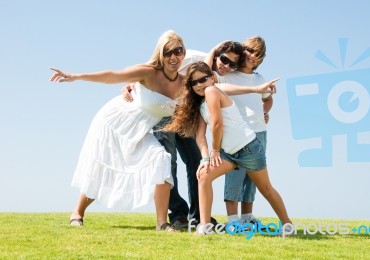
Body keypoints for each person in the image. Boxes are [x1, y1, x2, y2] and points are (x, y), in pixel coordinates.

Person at [48, 30, 189, 232]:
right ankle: (77, 212)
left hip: (140, 131)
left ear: (183, 52)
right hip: (114, 124)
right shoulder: (148, 72)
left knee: (161, 158)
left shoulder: (183, 82)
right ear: (160, 54)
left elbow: (210, 87)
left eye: (178, 50)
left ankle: (161, 223)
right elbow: (113, 75)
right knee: (103, 168)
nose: (173, 57)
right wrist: (77, 76)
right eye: (167, 52)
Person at [120, 41, 244, 229]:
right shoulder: (193, 57)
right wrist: (133, 82)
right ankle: (178, 214)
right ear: (216, 54)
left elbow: (233, 93)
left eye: (232, 64)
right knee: (168, 163)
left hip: (186, 117)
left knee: (196, 161)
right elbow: (156, 66)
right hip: (164, 114)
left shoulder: (220, 77)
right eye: (224, 59)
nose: (226, 66)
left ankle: (198, 215)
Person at [163, 61, 292, 234]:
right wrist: (205, 158)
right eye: (194, 82)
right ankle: (205, 225)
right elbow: (200, 136)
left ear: (212, 78)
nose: (200, 84)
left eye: (203, 79)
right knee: (203, 175)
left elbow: (217, 124)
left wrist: (215, 150)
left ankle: (288, 225)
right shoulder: (200, 105)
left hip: (248, 149)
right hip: (229, 155)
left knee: (266, 190)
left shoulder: (212, 91)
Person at [217, 36, 272, 227]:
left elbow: (268, 98)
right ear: (243, 50)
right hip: (236, 133)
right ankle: (232, 220)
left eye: (258, 54)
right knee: (234, 173)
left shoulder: (260, 79)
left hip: (259, 132)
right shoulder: (227, 75)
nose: (253, 56)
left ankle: (247, 217)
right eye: (249, 50)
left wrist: (265, 111)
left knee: (254, 176)